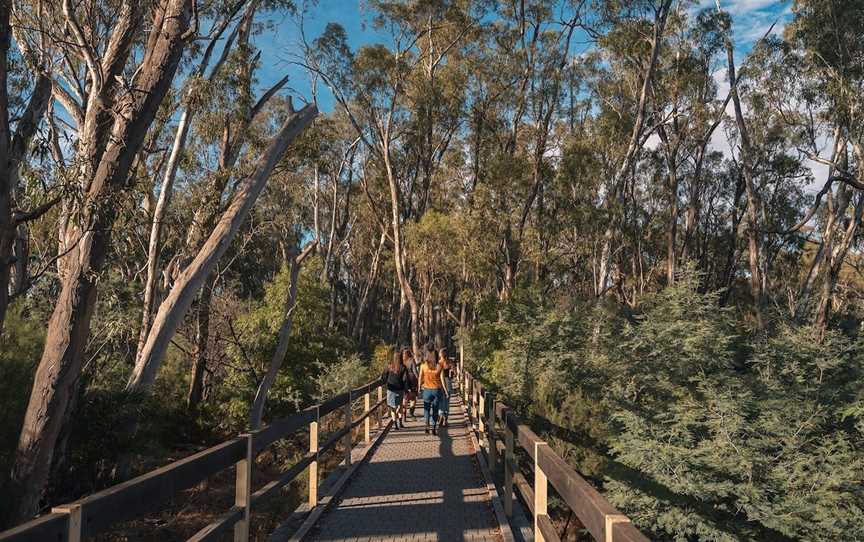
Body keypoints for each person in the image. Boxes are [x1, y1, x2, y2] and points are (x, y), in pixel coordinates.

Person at [417, 351, 448, 435]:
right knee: (435, 410)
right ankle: (434, 427)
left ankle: (427, 426)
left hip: (426, 390)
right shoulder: (439, 366)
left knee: (426, 409)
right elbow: (442, 380)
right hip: (437, 390)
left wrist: (419, 387)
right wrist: (445, 390)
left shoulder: (423, 366)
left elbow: (420, 377)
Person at [382, 351, 408, 429]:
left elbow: (383, 376)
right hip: (400, 389)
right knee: (399, 406)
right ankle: (400, 423)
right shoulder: (403, 367)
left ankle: (395, 424)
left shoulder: (389, 366)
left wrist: (385, 382)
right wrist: (406, 389)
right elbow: (405, 379)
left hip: (391, 389)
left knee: (392, 407)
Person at [402, 348, 419, 418]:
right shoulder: (412, 360)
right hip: (412, 380)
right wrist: (419, 379)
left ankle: (404, 412)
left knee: (405, 397)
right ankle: (411, 411)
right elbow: (415, 371)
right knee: (413, 397)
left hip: (403, 380)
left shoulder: (402, 361)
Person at [438, 349, 452, 427]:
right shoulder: (449, 362)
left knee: (440, 402)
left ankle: (441, 416)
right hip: (448, 382)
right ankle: (445, 419)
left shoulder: (438, 363)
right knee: (447, 402)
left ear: (441, 354)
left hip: (439, 383)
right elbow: (455, 373)